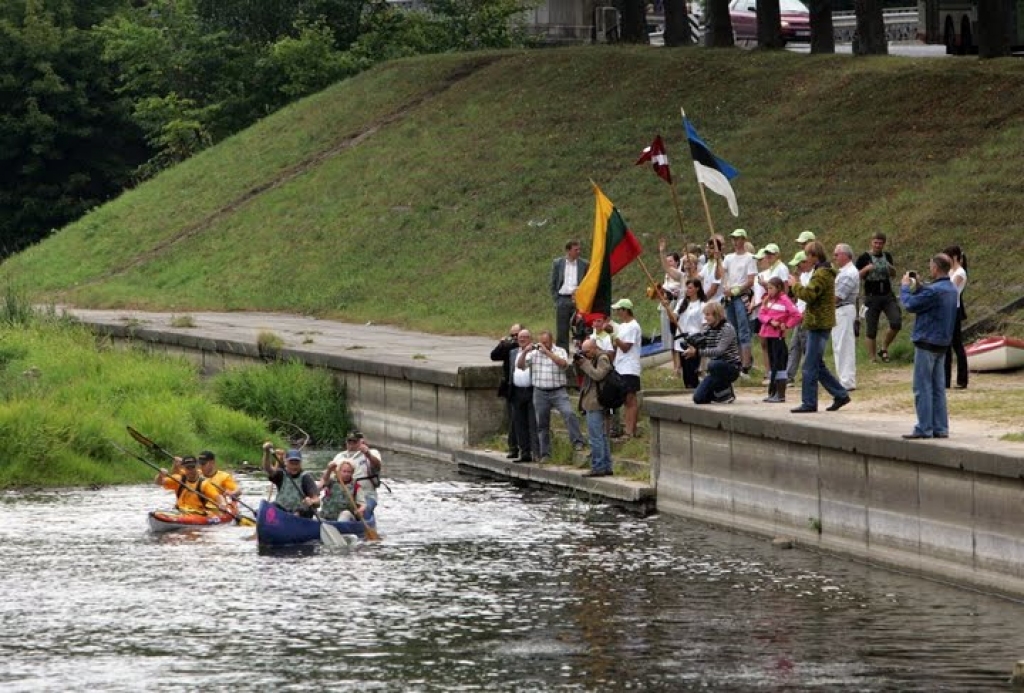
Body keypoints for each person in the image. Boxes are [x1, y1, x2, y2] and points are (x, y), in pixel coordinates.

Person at [900, 254, 959, 439]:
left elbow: (910, 304)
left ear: (935, 268)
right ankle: (940, 427)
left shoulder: (934, 291)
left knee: (922, 387)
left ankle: (924, 427)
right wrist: (920, 286)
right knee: (938, 388)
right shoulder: (951, 289)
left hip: (927, 341)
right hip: (942, 342)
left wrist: (905, 287)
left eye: (931, 266)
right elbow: (930, 296)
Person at [788, 241, 851, 413]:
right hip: (820, 322)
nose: (806, 259)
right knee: (817, 363)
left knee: (809, 365)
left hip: (818, 323)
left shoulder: (821, 274)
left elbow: (809, 295)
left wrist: (795, 285)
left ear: (814, 256)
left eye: (807, 255)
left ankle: (809, 402)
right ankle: (840, 394)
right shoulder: (823, 271)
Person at [517, 329, 586, 461]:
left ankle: (578, 441)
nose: (543, 345)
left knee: (569, 413)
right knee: (542, 424)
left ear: (551, 341)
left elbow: (564, 364)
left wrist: (547, 352)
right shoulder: (534, 353)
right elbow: (521, 366)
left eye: (546, 342)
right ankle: (545, 453)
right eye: (541, 342)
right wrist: (525, 352)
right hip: (540, 392)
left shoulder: (560, 351)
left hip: (558, 391)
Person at [856, 232, 901, 363]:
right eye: (876, 242)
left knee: (896, 322)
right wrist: (866, 269)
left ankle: (884, 347)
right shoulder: (864, 257)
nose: (878, 245)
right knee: (871, 329)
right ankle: (872, 358)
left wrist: (890, 268)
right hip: (871, 296)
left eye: (880, 243)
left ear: (884, 244)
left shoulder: (887, 256)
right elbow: (855, 275)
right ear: (871, 242)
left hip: (887, 295)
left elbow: (893, 274)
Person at [683, 302, 740, 404]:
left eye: (708, 315)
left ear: (716, 315)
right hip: (715, 369)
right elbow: (701, 341)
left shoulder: (727, 328)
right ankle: (722, 394)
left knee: (713, 365)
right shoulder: (707, 329)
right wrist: (691, 345)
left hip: (731, 366)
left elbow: (719, 351)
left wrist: (697, 352)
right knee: (698, 398)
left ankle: (725, 389)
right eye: (705, 315)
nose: (705, 318)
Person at [574, 338, 614, 477]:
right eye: (583, 352)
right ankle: (606, 466)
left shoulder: (602, 358)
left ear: (594, 348)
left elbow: (598, 375)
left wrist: (585, 363)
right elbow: (583, 376)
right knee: (601, 436)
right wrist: (579, 363)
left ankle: (598, 467)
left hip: (597, 402)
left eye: (587, 351)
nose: (585, 354)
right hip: (592, 401)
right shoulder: (591, 359)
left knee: (596, 437)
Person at [758, 277, 802, 403]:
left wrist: (787, 325)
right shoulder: (768, 299)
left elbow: (797, 315)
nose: (769, 291)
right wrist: (770, 321)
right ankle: (773, 392)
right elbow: (761, 314)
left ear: (778, 288)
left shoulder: (784, 300)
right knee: (773, 364)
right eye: (768, 288)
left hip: (778, 335)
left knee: (779, 364)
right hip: (768, 334)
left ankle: (780, 393)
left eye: (771, 288)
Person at [722, 229, 757, 373]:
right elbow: (722, 275)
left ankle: (746, 364)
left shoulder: (750, 258)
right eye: (733, 239)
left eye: (737, 238)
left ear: (743, 239)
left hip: (741, 296)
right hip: (729, 297)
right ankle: (737, 361)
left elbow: (750, 280)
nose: (735, 241)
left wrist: (736, 290)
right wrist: (726, 287)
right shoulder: (728, 258)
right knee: (732, 329)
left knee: (743, 329)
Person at [610, 298, 643, 438]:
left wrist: (614, 336)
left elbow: (625, 347)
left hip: (630, 367)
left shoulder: (633, 326)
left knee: (630, 399)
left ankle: (630, 431)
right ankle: (628, 429)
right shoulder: (623, 326)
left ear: (625, 310)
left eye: (619, 310)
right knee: (625, 400)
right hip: (621, 366)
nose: (617, 313)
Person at [329, 431, 382, 516]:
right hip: (343, 495)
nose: (351, 444)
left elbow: (377, 466)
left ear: (362, 442)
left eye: (354, 441)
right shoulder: (339, 456)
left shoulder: (372, 453)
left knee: (365, 511)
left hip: (366, 495)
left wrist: (367, 453)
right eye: (349, 441)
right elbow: (330, 478)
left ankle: (361, 518)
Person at [491, 323, 523, 459]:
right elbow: (494, 356)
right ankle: (513, 447)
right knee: (513, 419)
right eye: (512, 335)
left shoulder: (528, 348)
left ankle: (526, 448)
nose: (515, 338)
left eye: (517, 335)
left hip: (525, 387)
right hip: (511, 388)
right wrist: (501, 344)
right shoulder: (509, 348)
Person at [550, 239, 589, 351]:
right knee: (562, 329)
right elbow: (553, 282)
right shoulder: (558, 263)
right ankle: (562, 353)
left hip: (579, 299)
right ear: (568, 251)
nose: (578, 252)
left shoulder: (584, 264)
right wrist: (556, 299)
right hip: (563, 299)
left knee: (581, 326)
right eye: (576, 250)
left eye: (579, 249)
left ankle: (583, 351)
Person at [262, 444, 319, 518]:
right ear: (285, 462)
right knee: (272, 505)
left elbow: (317, 501)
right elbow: (268, 469)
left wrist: (311, 501)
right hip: (283, 513)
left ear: (301, 463)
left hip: (300, 515)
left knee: (306, 508)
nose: (294, 466)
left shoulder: (306, 478)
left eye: (297, 463)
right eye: (291, 463)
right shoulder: (281, 474)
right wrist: (267, 452)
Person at [832, 243, 860, 391]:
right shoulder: (843, 272)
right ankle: (843, 379)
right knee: (839, 345)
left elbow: (837, 296)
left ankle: (847, 381)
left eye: (836, 254)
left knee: (844, 346)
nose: (835, 257)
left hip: (844, 309)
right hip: (840, 311)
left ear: (845, 255)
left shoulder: (849, 273)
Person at [155, 455, 226, 513]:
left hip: (197, 513)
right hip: (179, 511)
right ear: (183, 468)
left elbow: (218, 496)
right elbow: (158, 482)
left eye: (192, 467)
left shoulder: (204, 484)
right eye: (188, 467)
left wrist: (222, 504)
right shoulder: (178, 479)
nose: (190, 470)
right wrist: (160, 475)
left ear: (197, 467)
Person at [673, 278, 707, 389]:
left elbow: (704, 324)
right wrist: (667, 307)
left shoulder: (702, 305)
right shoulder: (682, 303)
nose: (687, 290)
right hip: (681, 340)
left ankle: (696, 390)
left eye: (690, 288)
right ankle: (689, 390)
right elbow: (674, 318)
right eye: (687, 288)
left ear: (697, 288)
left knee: (692, 371)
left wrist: (701, 342)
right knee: (686, 374)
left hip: (694, 341)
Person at [944, 245, 969, 390]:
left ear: (954, 257)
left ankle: (962, 379)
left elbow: (950, 289)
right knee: (946, 346)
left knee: (957, 345)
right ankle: (945, 380)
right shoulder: (950, 271)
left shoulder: (960, 272)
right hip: (947, 309)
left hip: (954, 309)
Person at [786, 250, 812, 382]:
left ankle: (809, 373)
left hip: (807, 315)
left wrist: (805, 312)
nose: (797, 268)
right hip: (799, 315)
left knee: (807, 346)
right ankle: (789, 375)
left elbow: (809, 296)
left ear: (805, 262)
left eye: (798, 265)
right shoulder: (802, 276)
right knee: (794, 345)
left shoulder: (812, 276)